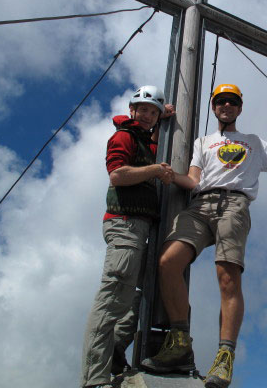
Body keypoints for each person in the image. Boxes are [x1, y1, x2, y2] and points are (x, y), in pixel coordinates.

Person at [141, 84, 267, 388]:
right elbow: (193, 179)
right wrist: (169, 176)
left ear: (239, 108)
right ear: (214, 107)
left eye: (232, 102)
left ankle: (225, 356)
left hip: (234, 205)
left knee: (227, 277)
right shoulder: (203, 142)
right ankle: (180, 342)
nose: (226, 106)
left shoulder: (253, 142)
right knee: (168, 262)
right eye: (220, 101)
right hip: (200, 203)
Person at [80, 85, 176, 388]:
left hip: (141, 229)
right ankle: (94, 379)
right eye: (143, 109)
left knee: (136, 297)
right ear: (132, 110)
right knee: (112, 299)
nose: (147, 115)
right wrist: (155, 171)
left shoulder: (145, 140)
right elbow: (117, 175)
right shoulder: (123, 136)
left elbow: (152, 145)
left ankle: (114, 355)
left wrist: (164, 119)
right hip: (124, 225)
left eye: (152, 111)